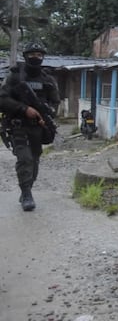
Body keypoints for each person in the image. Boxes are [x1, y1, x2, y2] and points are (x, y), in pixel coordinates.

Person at [0, 42, 61, 211]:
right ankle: (26, 193)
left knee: (34, 160)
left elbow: (55, 102)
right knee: (24, 158)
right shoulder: (14, 77)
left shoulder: (48, 79)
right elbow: (2, 99)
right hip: (18, 125)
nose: (36, 58)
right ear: (25, 56)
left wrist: (47, 116)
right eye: (32, 54)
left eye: (39, 55)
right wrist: (24, 109)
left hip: (38, 127)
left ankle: (27, 188)